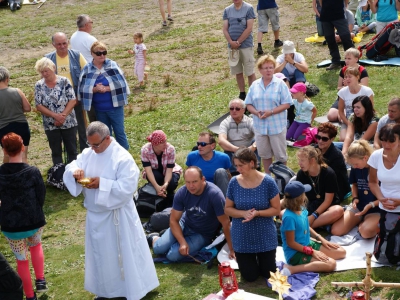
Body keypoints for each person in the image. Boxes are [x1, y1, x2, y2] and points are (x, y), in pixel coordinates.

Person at [63, 121, 159, 299]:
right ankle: (105, 291)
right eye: (89, 144)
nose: (92, 148)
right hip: (95, 216)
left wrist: (102, 184)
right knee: (101, 257)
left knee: (122, 255)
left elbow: (127, 188)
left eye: (96, 144)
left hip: (118, 216)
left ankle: (130, 289)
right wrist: (75, 171)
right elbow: (73, 164)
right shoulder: (88, 152)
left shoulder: (122, 158)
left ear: (107, 138)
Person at [148, 166, 234, 262]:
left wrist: (231, 249)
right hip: (184, 224)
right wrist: (182, 242)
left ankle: (171, 239)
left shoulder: (215, 195)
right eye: (188, 182)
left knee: (172, 255)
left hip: (202, 234)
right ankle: (154, 237)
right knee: (158, 249)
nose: (191, 186)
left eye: (194, 182)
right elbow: (173, 220)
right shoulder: (182, 192)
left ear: (203, 179)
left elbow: (226, 223)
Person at [0, 133, 47, 300]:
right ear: (22, 148)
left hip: (11, 226)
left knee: (21, 260)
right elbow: (41, 195)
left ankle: (29, 295)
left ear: (4, 150)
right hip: (33, 221)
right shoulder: (33, 171)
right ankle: (40, 280)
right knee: (36, 246)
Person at [225, 148, 280, 282]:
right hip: (242, 236)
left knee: (269, 274)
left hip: (264, 235)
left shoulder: (268, 182)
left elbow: (276, 209)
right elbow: (228, 209)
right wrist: (243, 213)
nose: (238, 169)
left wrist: (258, 213)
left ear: (251, 163)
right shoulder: (234, 182)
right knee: (250, 277)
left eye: (241, 165)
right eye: (236, 166)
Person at [280, 181, 346, 275]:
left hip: (308, 244)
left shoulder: (302, 209)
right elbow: (291, 243)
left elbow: (306, 226)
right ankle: (291, 269)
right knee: (331, 264)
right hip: (295, 253)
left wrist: (321, 239)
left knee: (341, 252)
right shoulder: (289, 218)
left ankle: (315, 258)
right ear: (300, 197)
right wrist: (312, 252)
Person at [78, 41, 130, 150]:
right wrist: (95, 89)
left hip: (115, 107)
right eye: (98, 53)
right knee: (105, 136)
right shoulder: (87, 69)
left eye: (104, 52)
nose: (102, 55)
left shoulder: (112, 65)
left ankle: (125, 156)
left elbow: (122, 84)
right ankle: (109, 156)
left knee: (120, 133)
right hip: (100, 110)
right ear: (92, 54)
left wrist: (106, 88)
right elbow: (82, 89)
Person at [245, 54, 292, 174]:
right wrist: (256, 112)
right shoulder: (254, 85)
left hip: (276, 126)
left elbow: (287, 103)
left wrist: (271, 112)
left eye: (271, 67)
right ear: (260, 70)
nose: (268, 70)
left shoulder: (280, 84)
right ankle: (268, 178)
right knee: (265, 155)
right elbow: (248, 104)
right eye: (265, 68)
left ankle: (282, 179)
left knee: (280, 156)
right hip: (260, 127)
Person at [45, 32, 88, 153]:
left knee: (81, 127)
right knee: (66, 130)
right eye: (59, 44)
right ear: (53, 45)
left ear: (68, 42)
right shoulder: (48, 59)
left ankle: (84, 151)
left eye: (64, 43)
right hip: (57, 101)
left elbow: (86, 74)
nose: (62, 46)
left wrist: (81, 94)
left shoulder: (76, 55)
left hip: (76, 98)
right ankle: (70, 152)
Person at [331, 140, 380, 237]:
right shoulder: (355, 168)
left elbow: (386, 197)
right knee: (336, 231)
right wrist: (355, 198)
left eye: (356, 164)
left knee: (365, 233)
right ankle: (361, 221)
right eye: (352, 164)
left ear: (365, 158)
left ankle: (367, 223)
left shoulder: (378, 168)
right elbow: (354, 184)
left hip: (376, 208)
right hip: (359, 206)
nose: (354, 166)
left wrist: (371, 205)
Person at [34, 57, 78, 165]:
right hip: (51, 124)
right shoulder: (39, 85)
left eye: (46, 70)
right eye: (42, 71)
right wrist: (55, 116)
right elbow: (38, 105)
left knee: (72, 150)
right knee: (56, 151)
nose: (44, 73)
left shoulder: (64, 81)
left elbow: (72, 100)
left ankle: (74, 174)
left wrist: (62, 116)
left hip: (68, 122)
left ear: (53, 68)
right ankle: (58, 175)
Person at [296, 146, 344, 229]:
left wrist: (314, 215)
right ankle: (316, 225)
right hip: (310, 204)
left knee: (338, 211)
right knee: (283, 213)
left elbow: (327, 201)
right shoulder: (301, 173)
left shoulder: (328, 173)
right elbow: (300, 197)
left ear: (312, 160)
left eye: (302, 160)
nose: (299, 163)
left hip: (326, 206)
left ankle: (304, 227)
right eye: (299, 160)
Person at [223, 0, 256, 100]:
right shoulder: (227, 10)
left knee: (250, 71)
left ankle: (253, 93)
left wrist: (238, 42)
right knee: (237, 71)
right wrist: (231, 42)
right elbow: (225, 29)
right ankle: (242, 93)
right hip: (232, 48)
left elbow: (249, 28)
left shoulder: (249, 8)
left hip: (246, 45)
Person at [327, 47, 369, 123]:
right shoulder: (343, 70)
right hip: (344, 97)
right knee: (331, 116)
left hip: (357, 97)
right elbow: (339, 88)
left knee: (342, 118)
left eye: (349, 58)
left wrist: (351, 85)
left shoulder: (362, 71)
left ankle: (347, 111)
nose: (346, 61)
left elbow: (365, 87)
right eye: (345, 58)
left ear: (356, 59)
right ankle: (344, 109)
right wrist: (345, 88)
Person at [141, 129, 182, 205]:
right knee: (157, 178)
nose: (165, 144)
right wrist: (157, 187)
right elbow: (148, 171)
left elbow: (169, 170)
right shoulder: (145, 150)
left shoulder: (170, 149)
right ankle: (159, 194)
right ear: (155, 144)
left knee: (172, 183)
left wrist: (166, 184)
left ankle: (169, 194)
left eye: (165, 141)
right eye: (162, 143)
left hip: (170, 171)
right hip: (154, 172)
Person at [0, 66, 31, 163]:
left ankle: (7, 176)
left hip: (3, 128)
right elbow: (27, 108)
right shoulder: (17, 91)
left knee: (7, 155)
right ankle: (24, 176)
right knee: (23, 156)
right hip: (21, 126)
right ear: (7, 79)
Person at [218, 98, 258, 174]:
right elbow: (221, 140)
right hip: (233, 151)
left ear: (243, 110)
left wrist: (251, 148)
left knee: (257, 142)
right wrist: (236, 150)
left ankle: (255, 167)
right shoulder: (225, 122)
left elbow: (260, 135)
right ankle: (234, 171)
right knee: (226, 146)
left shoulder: (250, 121)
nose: (234, 110)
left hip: (249, 150)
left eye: (237, 109)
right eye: (231, 108)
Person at [70, 15, 98, 123]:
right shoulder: (89, 39)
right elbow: (99, 54)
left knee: (89, 105)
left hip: (81, 75)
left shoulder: (73, 36)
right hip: (93, 73)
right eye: (91, 22)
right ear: (86, 25)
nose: (92, 24)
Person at [186, 132, 231, 196]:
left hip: (218, 192)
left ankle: (224, 203)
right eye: (198, 144)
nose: (199, 147)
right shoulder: (192, 157)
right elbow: (188, 176)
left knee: (221, 172)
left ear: (212, 146)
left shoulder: (223, 158)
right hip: (199, 192)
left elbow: (228, 178)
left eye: (203, 144)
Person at [316, 123, 351, 202]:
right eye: (318, 137)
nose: (320, 141)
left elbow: (329, 178)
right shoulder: (314, 150)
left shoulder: (336, 156)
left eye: (324, 139)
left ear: (332, 139)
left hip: (336, 188)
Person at [338, 67, 374, 141]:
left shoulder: (367, 91)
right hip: (349, 120)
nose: (347, 79)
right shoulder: (342, 92)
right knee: (343, 139)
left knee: (364, 138)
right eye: (346, 77)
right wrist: (349, 124)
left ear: (357, 77)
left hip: (364, 120)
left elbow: (371, 109)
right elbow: (340, 111)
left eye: (350, 77)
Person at [320, 0, 355, 70]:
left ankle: (352, 61)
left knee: (346, 37)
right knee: (330, 39)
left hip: (339, 14)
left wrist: (345, 8)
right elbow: (320, 1)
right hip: (325, 16)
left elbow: (346, 1)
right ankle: (335, 62)